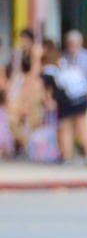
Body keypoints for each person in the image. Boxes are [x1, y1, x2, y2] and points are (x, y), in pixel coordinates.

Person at [40, 38, 87, 165]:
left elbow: (47, 90)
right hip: (80, 95)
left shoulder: (48, 69)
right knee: (82, 125)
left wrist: (48, 102)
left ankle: (66, 156)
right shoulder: (63, 62)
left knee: (66, 127)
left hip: (65, 100)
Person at [6, 28, 42, 156]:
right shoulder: (19, 53)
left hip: (33, 88)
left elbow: (34, 72)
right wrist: (10, 88)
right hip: (20, 88)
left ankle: (32, 147)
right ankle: (25, 145)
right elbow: (17, 72)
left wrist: (28, 94)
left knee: (33, 119)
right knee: (12, 119)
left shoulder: (36, 51)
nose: (23, 42)